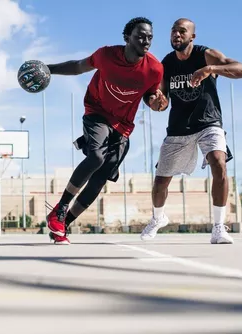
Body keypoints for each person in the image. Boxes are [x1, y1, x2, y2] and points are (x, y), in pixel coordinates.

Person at [43, 17, 165, 245]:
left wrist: (156, 103)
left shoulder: (154, 69)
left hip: (123, 125)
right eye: (140, 36)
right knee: (96, 156)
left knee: (100, 178)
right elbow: (79, 66)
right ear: (127, 37)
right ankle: (61, 208)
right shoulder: (107, 55)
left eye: (149, 37)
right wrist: (48, 69)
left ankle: (62, 223)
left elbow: (150, 95)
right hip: (96, 111)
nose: (146, 41)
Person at [140, 18, 242, 244]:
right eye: (173, 31)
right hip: (179, 128)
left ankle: (219, 227)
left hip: (209, 123)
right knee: (161, 182)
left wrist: (211, 69)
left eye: (182, 31)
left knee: (218, 162)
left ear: (192, 36)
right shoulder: (166, 64)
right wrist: (156, 102)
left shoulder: (205, 55)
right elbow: (162, 103)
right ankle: (158, 218)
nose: (176, 35)